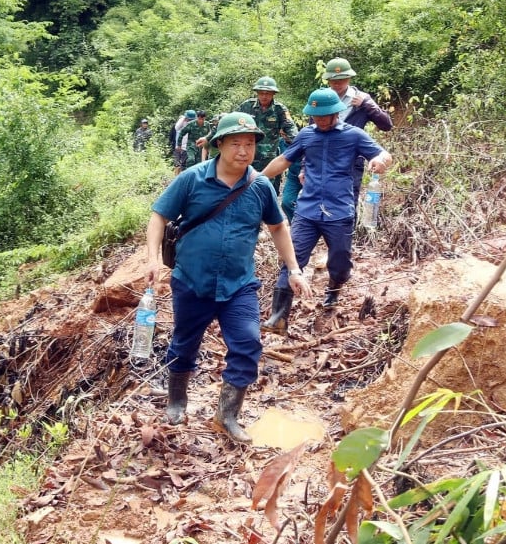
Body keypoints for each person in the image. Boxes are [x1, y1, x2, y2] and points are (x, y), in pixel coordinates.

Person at [147, 113, 309, 444]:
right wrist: (152, 260)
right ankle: (176, 401)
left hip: (239, 285)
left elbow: (278, 227)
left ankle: (227, 415)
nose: (243, 151)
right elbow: (159, 216)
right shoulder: (192, 180)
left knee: (248, 344)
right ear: (219, 144)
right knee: (184, 343)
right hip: (192, 280)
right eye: (236, 143)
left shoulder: (260, 186)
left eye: (249, 144)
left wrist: (293, 269)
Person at [260, 88, 392, 332]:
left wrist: (380, 161)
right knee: (293, 259)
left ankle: (333, 292)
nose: (319, 120)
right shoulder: (306, 135)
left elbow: (382, 154)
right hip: (307, 210)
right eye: (315, 115)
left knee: (340, 262)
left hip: (339, 211)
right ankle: (278, 317)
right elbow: (284, 160)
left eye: (324, 115)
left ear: (336, 113)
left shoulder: (355, 135)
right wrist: (257, 178)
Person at [322, 58, 392, 202]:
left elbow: (386, 125)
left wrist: (367, 104)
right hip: (323, 159)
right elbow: (311, 131)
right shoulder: (322, 98)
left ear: (349, 78)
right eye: (333, 80)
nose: (337, 83)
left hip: (351, 161)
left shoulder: (362, 98)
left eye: (342, 79)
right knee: (322, 202)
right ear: (328, 80)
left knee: (348, 203)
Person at [237, 76, 298, 193]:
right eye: (261, 93)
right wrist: (209, 137)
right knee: (244, 188)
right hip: (247, 155)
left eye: (268, 93)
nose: (264, 96)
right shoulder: (246, 106)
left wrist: (300, 145)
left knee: (267, 190)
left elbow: (291, 129)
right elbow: (230, 122)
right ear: (257, 93)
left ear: (273, 94)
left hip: (269, 159)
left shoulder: (279, 109)